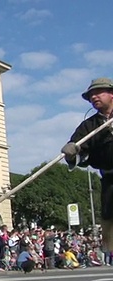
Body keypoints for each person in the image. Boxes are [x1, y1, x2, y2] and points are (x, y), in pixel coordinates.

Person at [62, 78, 113, 258]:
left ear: (111, 94)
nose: (94, 97)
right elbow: (79, 149)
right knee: (110, 225)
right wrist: (71, 152)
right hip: (110, 180)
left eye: (99, 92)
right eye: (91, 95)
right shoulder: (89, 125)